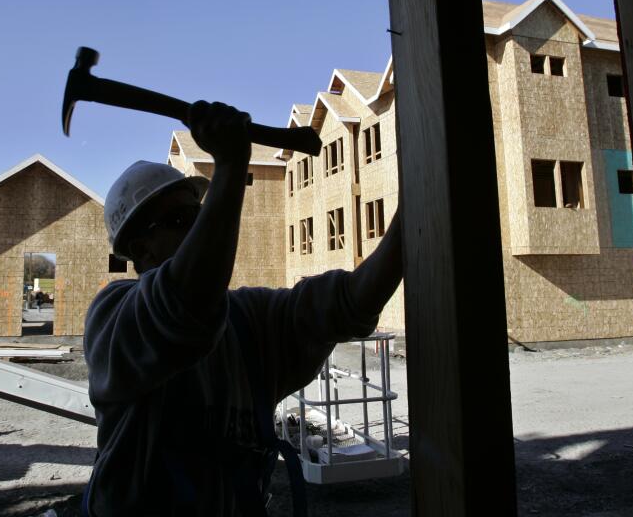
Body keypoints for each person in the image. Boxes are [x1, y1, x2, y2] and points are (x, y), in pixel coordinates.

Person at [83, 101, 403, 516]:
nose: (200, 226)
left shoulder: (250, 320)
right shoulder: (114, 318)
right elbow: (182, 306)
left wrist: (412, 210)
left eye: (199, 216)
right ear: (141, 249)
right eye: (182, 220)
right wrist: (231, 167)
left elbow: (348, 302)